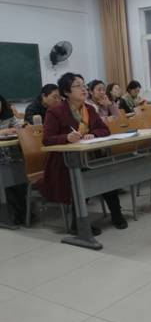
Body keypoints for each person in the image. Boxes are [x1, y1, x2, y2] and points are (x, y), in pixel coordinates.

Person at [39, 73, 128, 234]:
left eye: (83, 85)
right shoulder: (55, 111)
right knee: (84, 176)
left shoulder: (89, 109)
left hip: (90, 156)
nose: (83, 89)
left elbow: (104, 130)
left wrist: (93, 134)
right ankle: (78, 223)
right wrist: (66, 137)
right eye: (77, 86)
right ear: (66, 92)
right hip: (65, 162)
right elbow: (47, 139)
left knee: (105, 173)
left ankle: (116, 213)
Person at [0, 94, 26, 224]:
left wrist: (17, 128)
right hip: (3, 158)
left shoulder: (7, 114)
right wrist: (3, 131)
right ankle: (13, 213)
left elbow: (18, 127)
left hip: (10, 155)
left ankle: (22, 212)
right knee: (9, 177)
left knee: (18, 177)